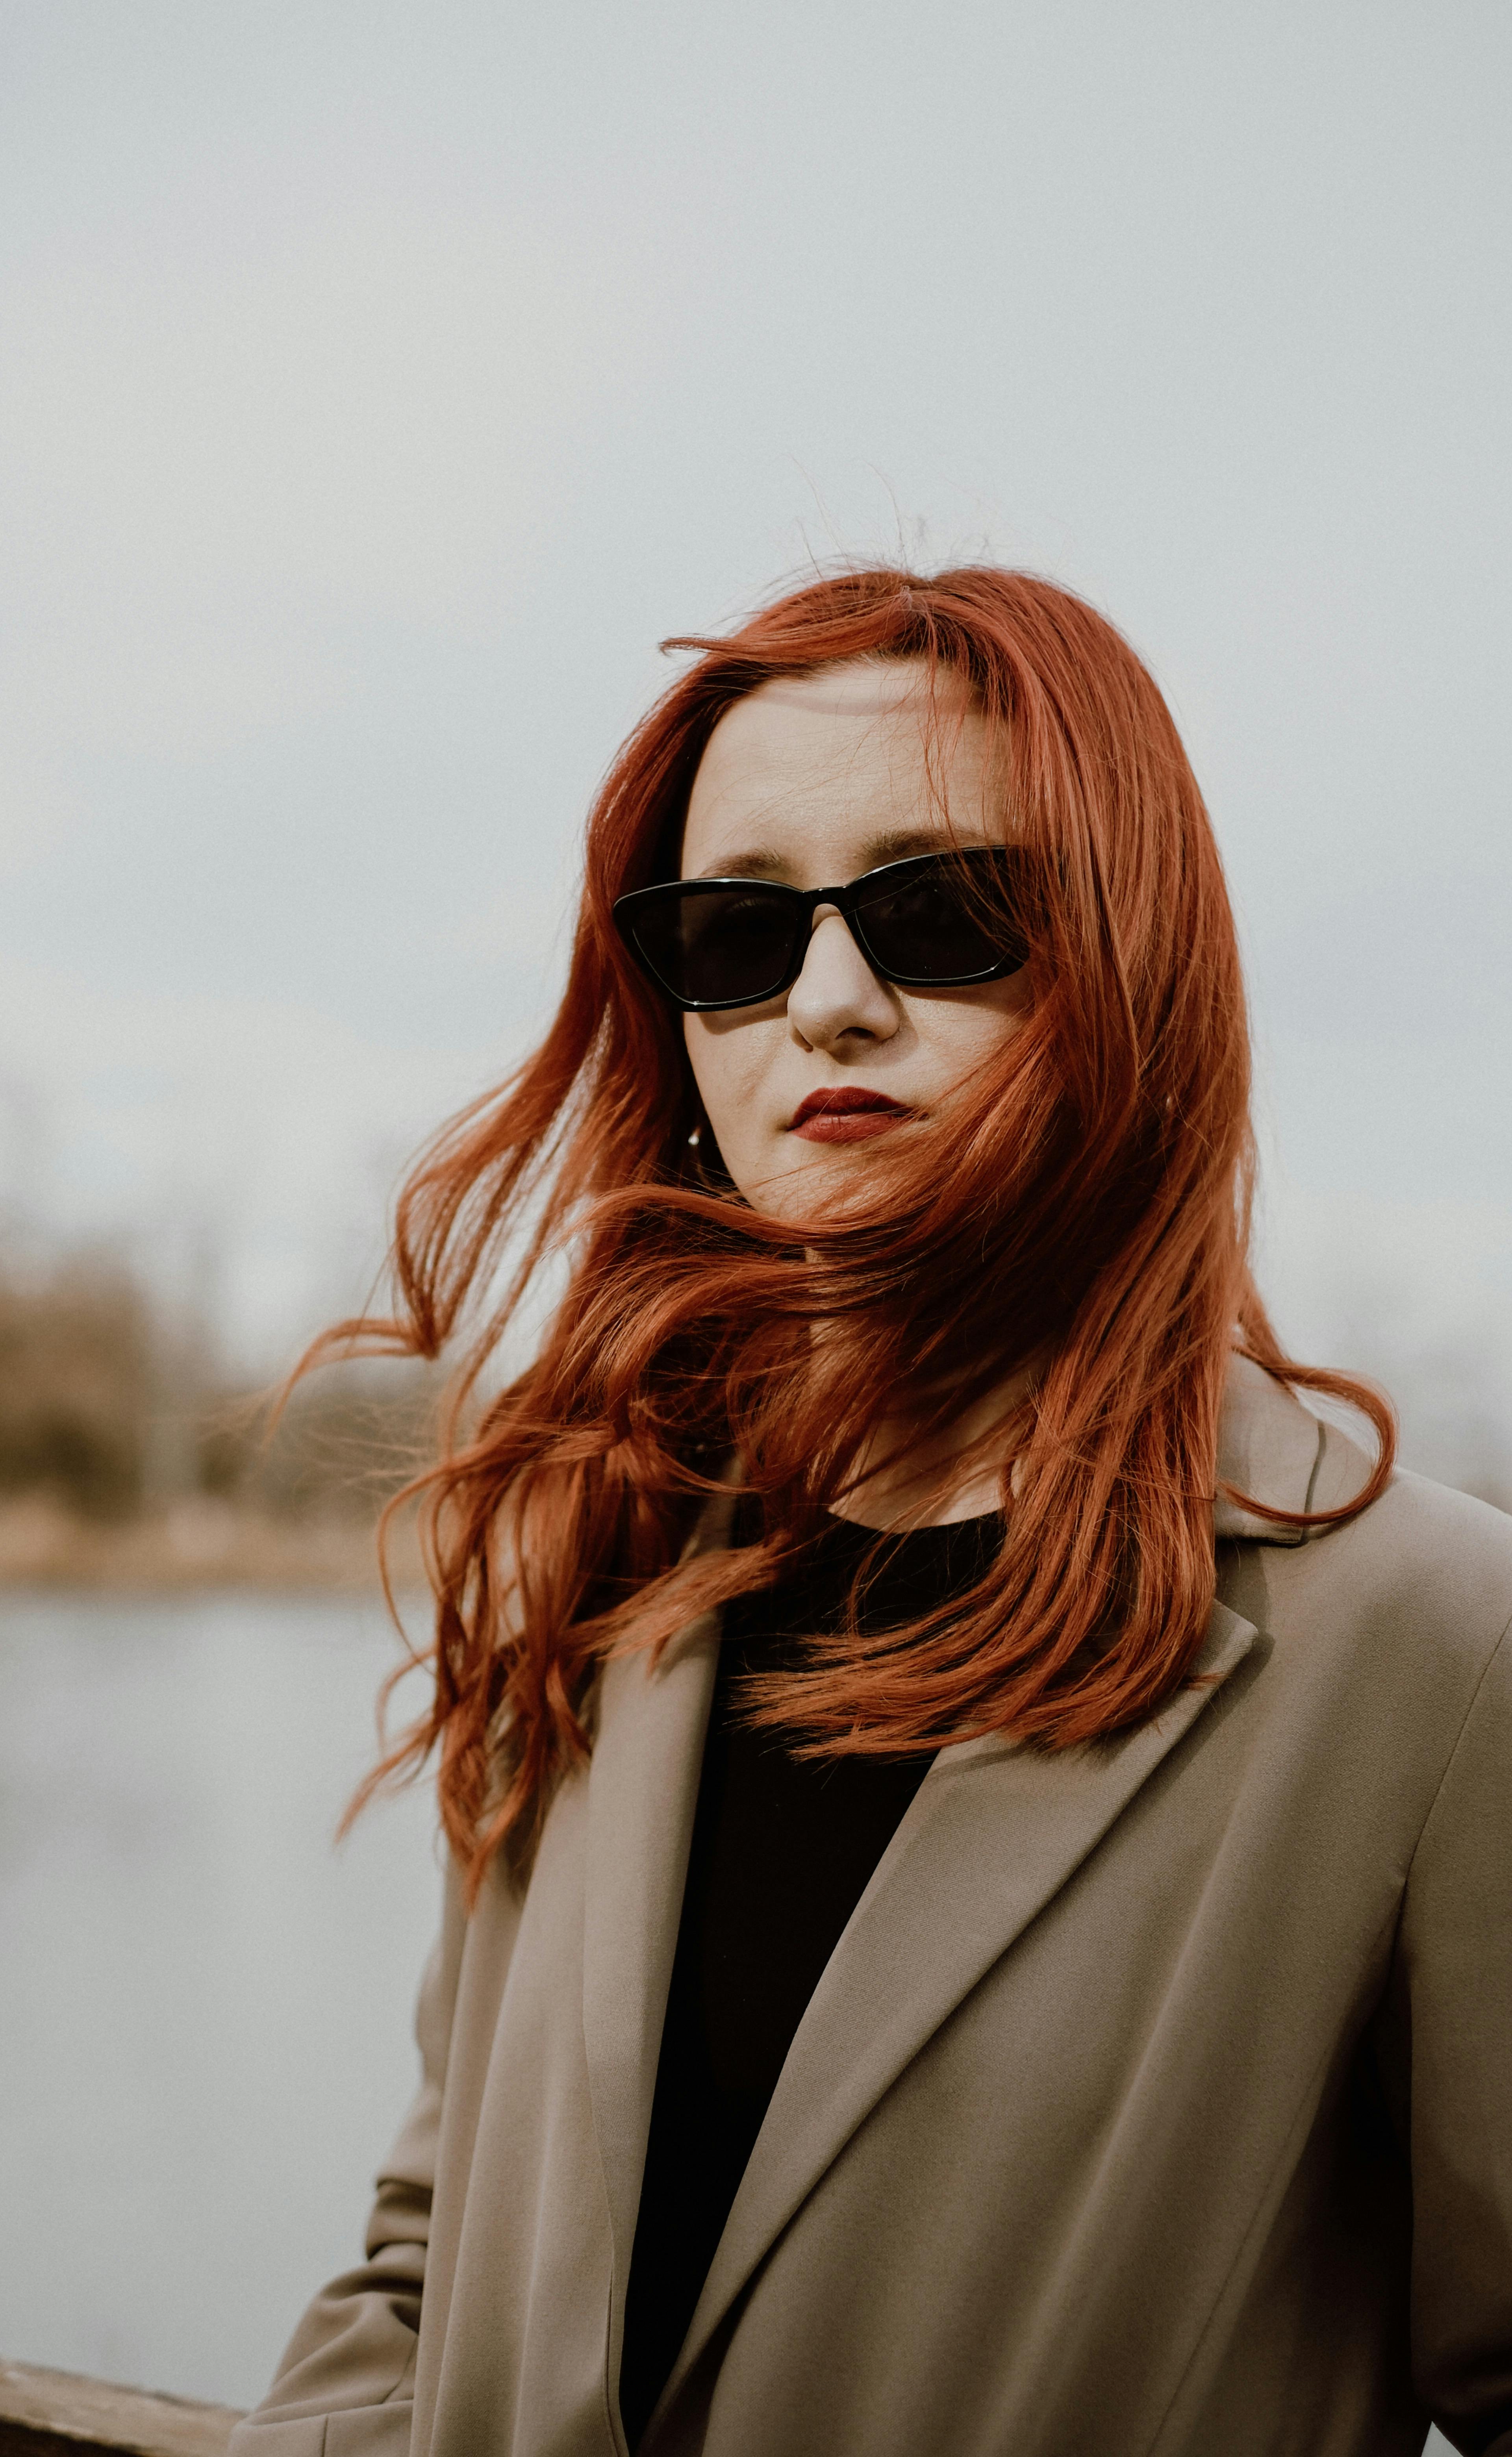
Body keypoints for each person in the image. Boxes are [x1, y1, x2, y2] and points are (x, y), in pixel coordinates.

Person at [232, 567, 1512, 2457]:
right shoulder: (588, 1554)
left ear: (1129, 966)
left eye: (941, 913)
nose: (826, 1004)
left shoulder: (1433, 1649)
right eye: (735, 934)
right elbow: (428, 2262)